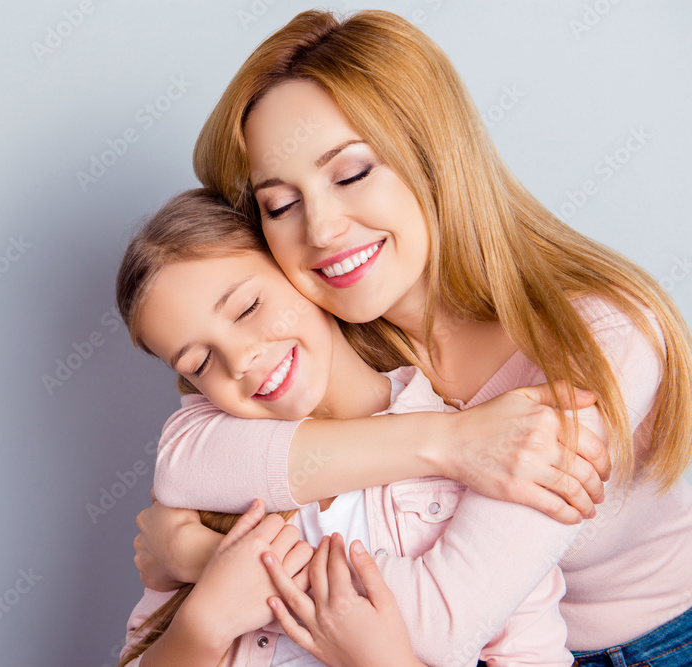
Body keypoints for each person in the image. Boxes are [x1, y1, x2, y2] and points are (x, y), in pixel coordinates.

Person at [133, 9, 692, 667]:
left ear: (433, 157)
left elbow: (441, 621)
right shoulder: (323, 335)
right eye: (281, 204)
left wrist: (205, 557)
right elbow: (188, 458)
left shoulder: (597, 338)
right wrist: (452, 442)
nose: (322, 228)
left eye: (350, 173)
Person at [116, 189, 573, 666]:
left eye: (248, 308)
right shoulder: (209, 474)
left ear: (299, 272)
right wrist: (204, 623)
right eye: (201, 361)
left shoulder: (484, 465)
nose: (240, 359)